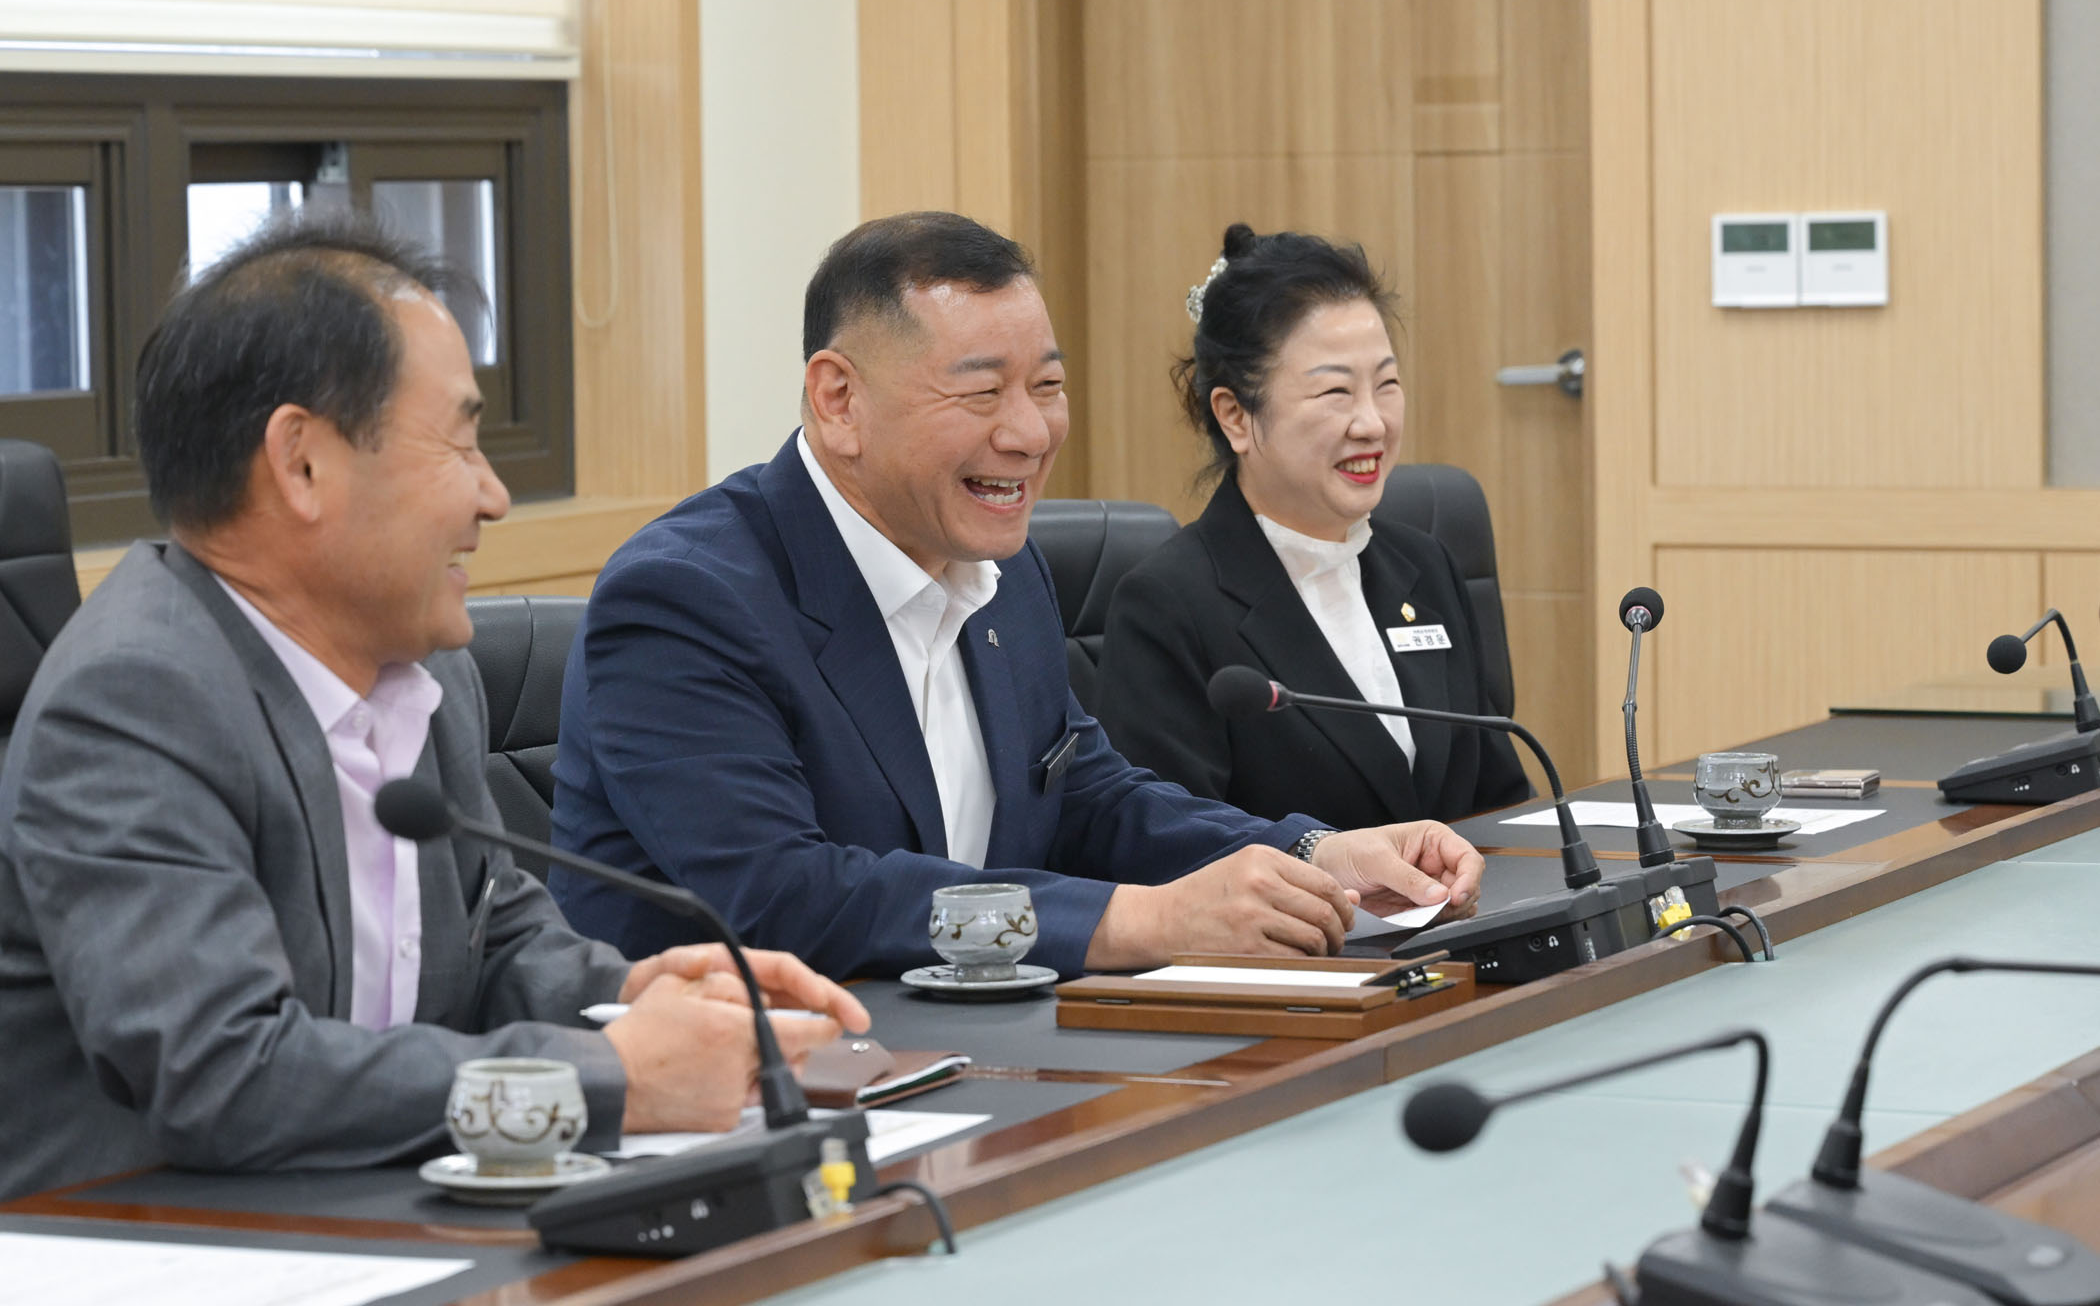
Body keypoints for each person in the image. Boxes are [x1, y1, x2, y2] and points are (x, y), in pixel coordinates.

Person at [0, 214, 866, 1202]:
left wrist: (636, 997)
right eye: (460, 440)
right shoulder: (137, 699)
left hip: (369, 1207)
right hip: (154, 1237)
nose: (493, 495)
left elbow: (496, 941)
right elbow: (222, 1072)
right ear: (302, 462)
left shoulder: (421, 670)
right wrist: (612, 1075)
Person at [549, 211, 1484, 980]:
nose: (1032, 434)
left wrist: (1312, 855)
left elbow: (1088, 798)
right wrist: (1142, 922)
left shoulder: (1003, 570)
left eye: (1047, 386)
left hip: (983, 1048)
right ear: (838, 401)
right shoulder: (686, 600)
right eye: (982, 394)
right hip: (753, 1090)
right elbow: (790, 898)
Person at [1093, 223, 1531, 831]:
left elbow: (1502, 803)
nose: (1372, 424)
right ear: (1235, 416)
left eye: (1386, 384)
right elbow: (1170, 843)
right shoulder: (1169, 606)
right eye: (1335, 392)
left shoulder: (1425, 567)